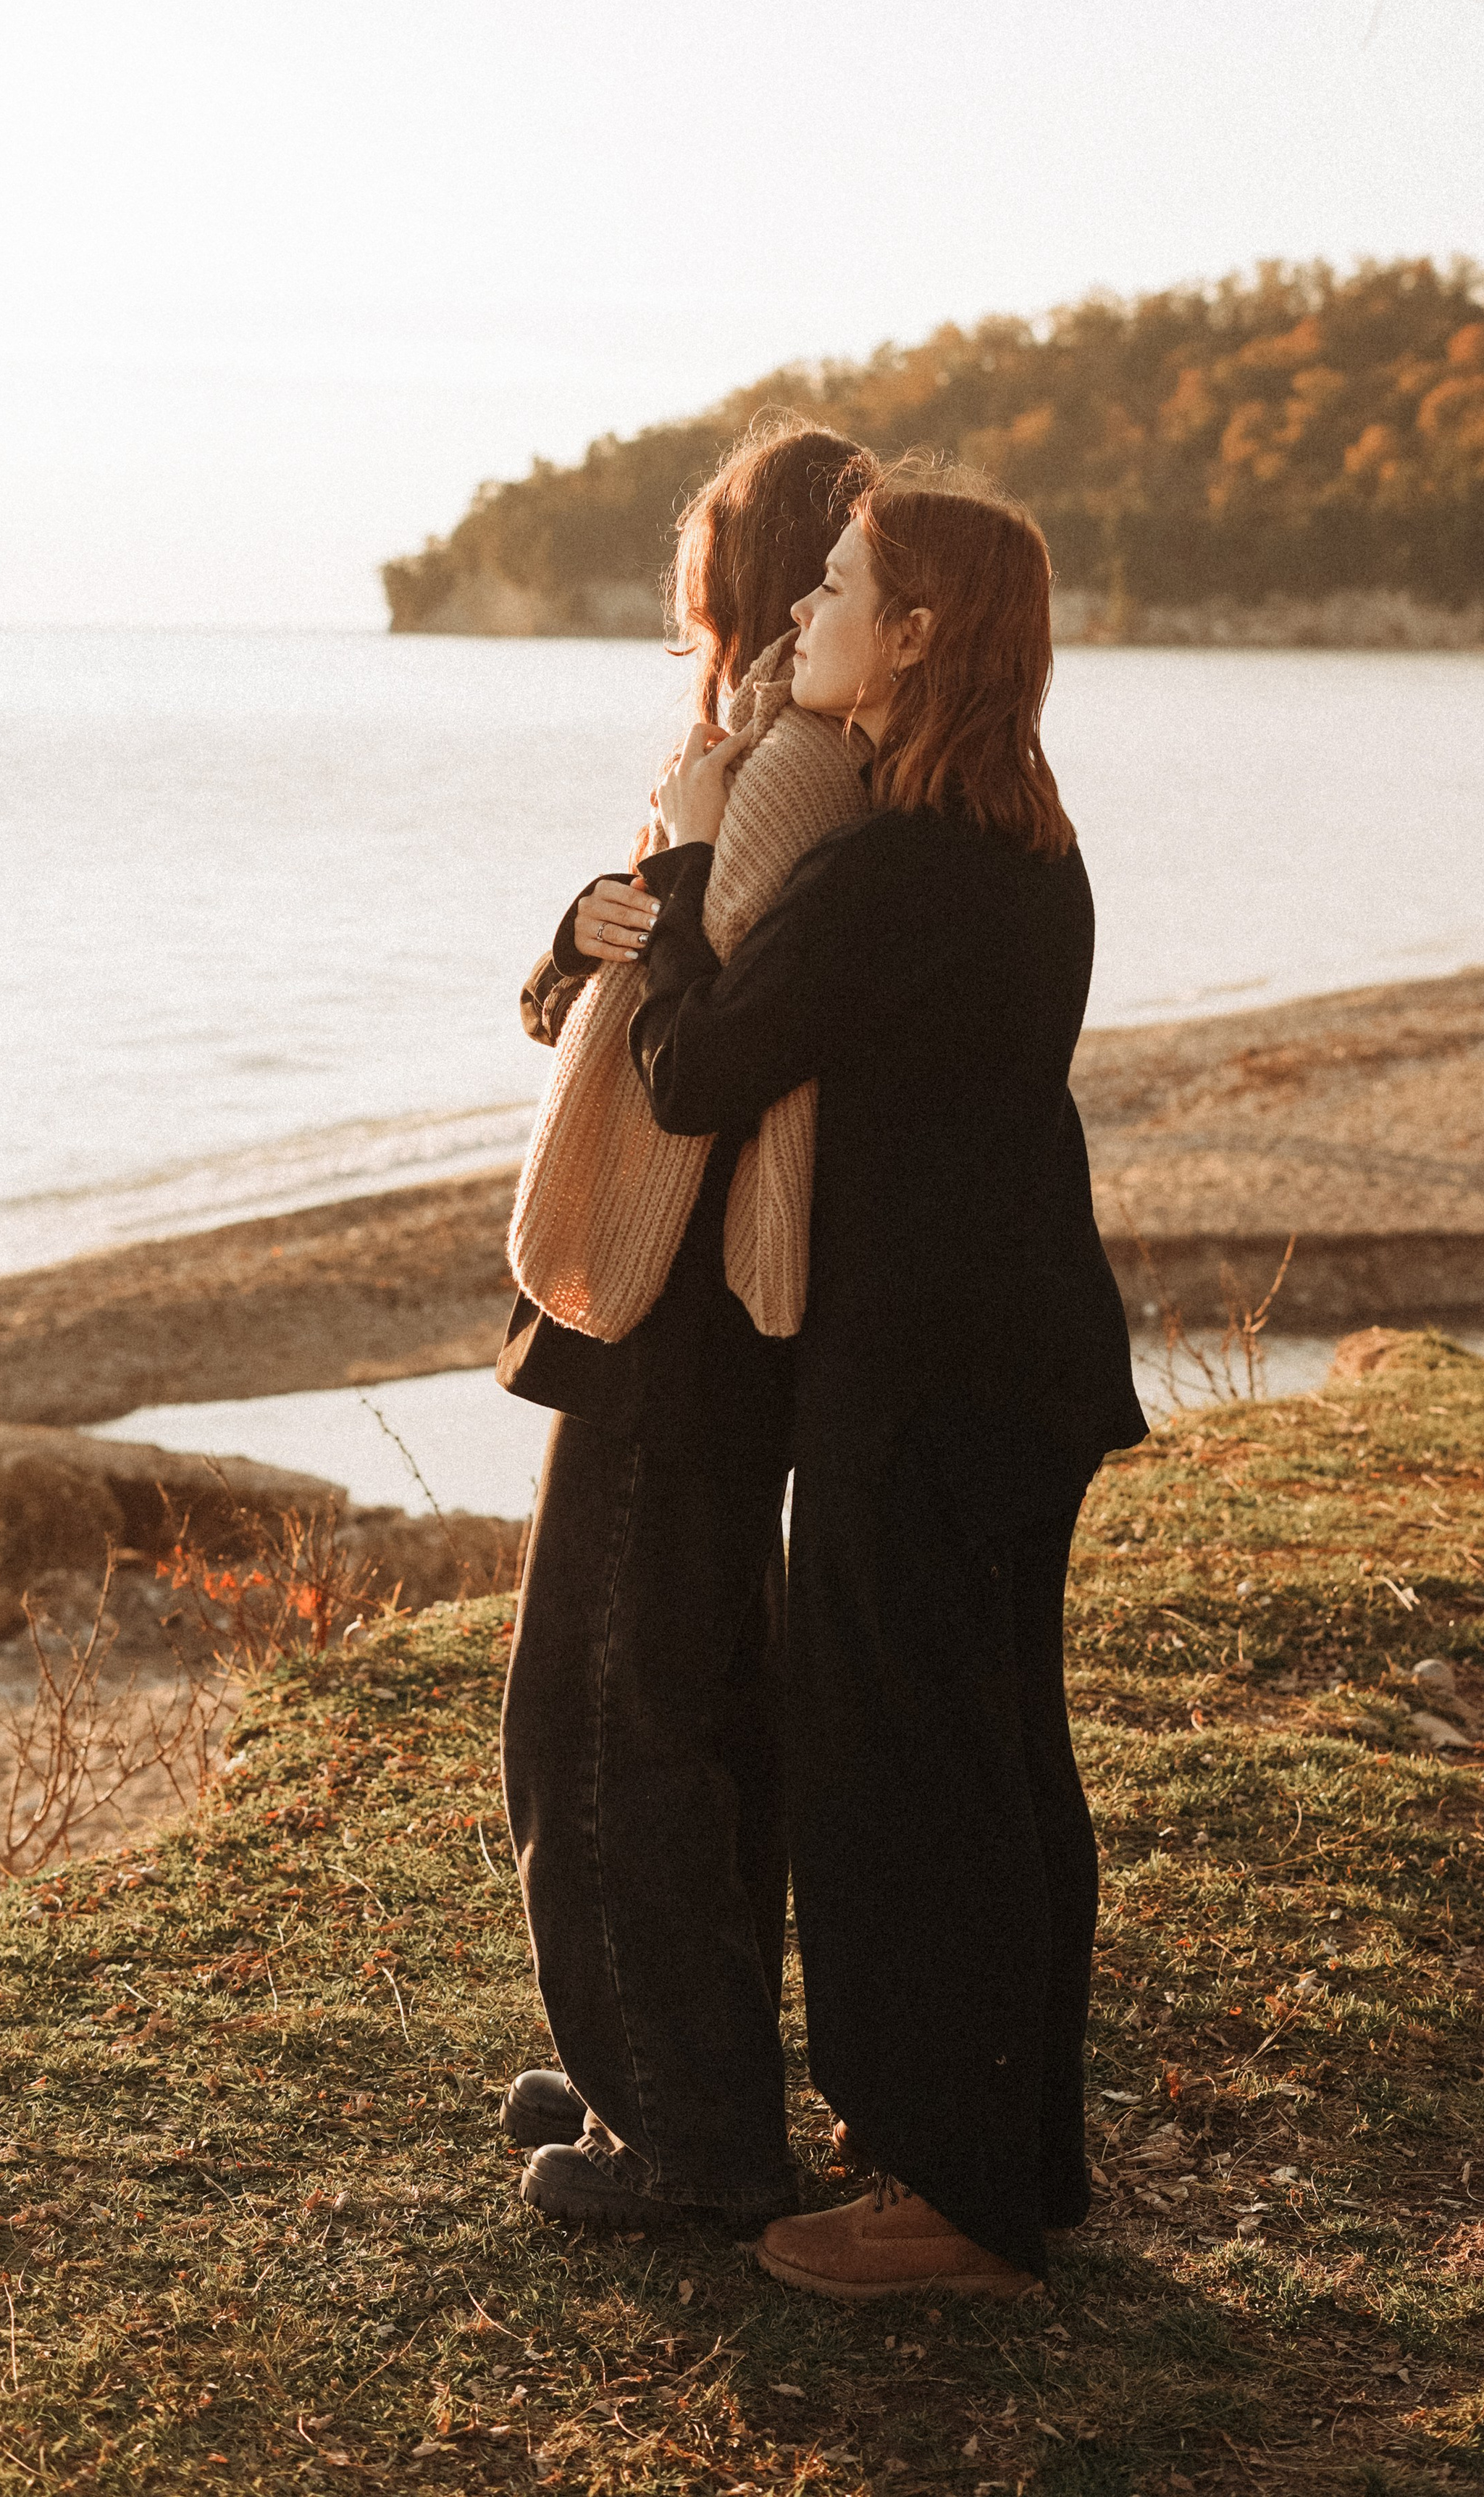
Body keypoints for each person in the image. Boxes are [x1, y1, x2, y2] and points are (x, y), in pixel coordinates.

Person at [629, 461, 1148, 2298]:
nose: (797, 618)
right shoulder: (1031, 843)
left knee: (902, 1777)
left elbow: (691, 1073)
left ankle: (946, 2203)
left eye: (836, 590)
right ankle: (1016, 2168)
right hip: (1032, 1358)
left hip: (913, 1383)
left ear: (916, 638)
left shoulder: (885, 872)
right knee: (1004, 1763)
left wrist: (688, 864)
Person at [495, 414, 879, 2230]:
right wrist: (582, 934)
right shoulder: (738, 761)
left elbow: (712, 1048)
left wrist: (659, 911)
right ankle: (668, 2059)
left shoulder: (783, 773)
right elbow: (596, 995)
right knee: (690, 1697)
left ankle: (693, 2141)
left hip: (682, 1300)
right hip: (685, 1297)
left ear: (740, 577)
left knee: (599, 1716)